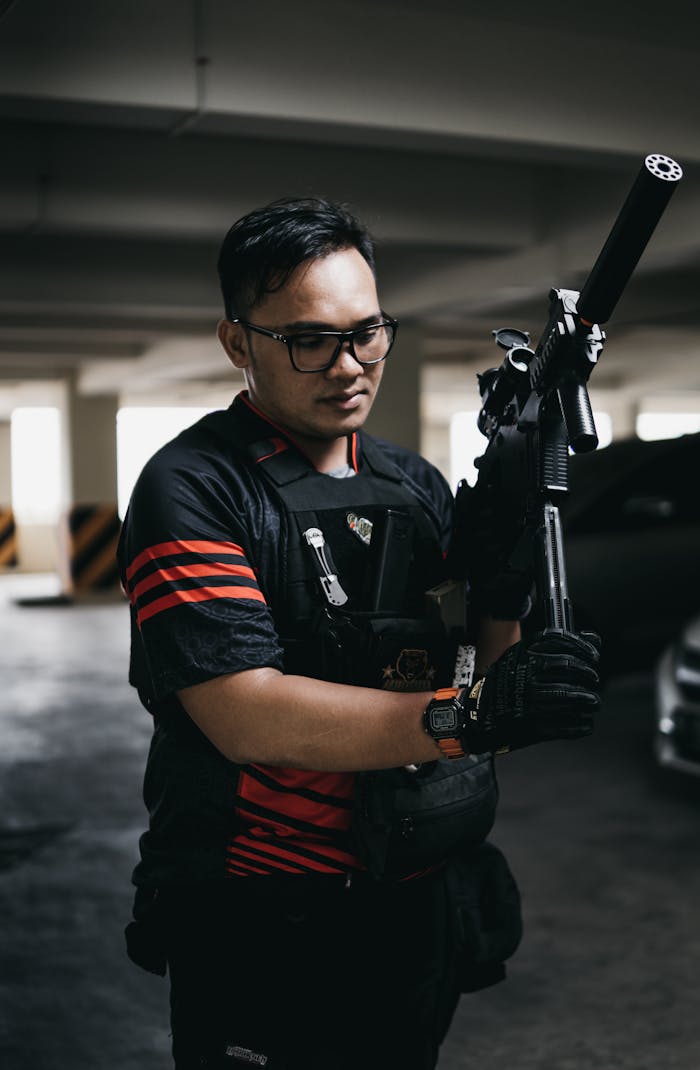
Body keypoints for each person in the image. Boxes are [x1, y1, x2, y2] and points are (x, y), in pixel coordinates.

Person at [117, 197, 601, 1070]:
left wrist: (505, 581)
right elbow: (245, 714)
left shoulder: (411, 482)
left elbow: (477, 664)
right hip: (263, 912)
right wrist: (474, 716)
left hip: (415, 894)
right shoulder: (193, 487)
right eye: (310, 340)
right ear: (239, 343)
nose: (348, 367)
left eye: (368, 333)